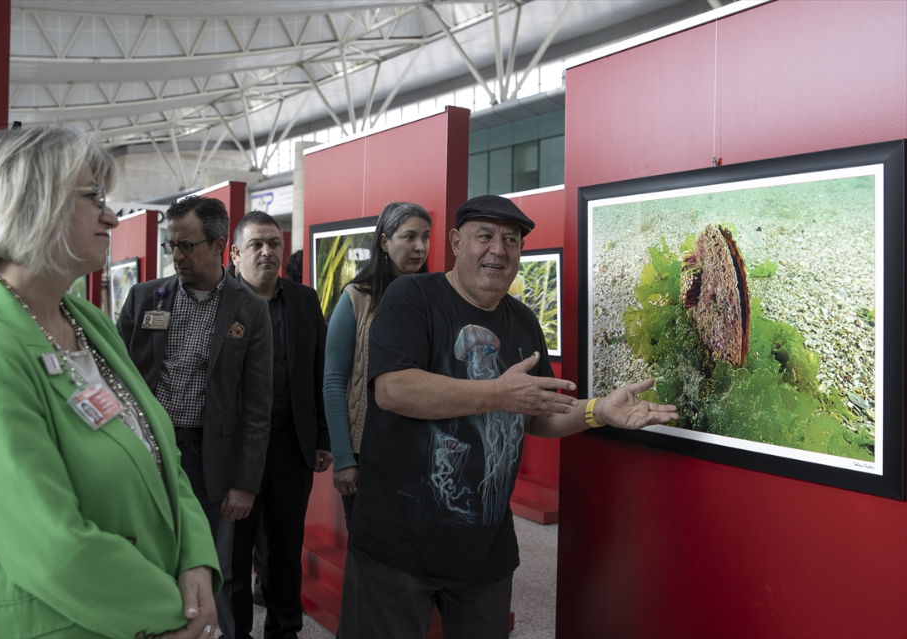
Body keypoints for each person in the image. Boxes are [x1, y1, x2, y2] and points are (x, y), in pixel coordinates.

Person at [0, 125, 221, 638]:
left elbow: (159, 450)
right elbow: (51, 545)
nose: (112, 215)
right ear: (31, 202)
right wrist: (176, 614)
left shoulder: (83, 320)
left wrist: (195, 561)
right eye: (93, 196)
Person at [338, 195, 679, 639]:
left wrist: (597, 411)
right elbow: (394, 389)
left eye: (511, 240)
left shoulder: (522, 319)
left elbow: (540, 414)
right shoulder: (412, 296)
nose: (498, 249)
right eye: (485, 236)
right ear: (457, 242)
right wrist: (499, 391)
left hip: (484, 553)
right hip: (396, 546)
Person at [118, 196, 274, 637]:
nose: (177, 256)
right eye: (172, 246)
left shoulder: (249, 309)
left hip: (210, 459)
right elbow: (116, 376)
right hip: (149, 450)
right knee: (146, 554)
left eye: (187, 246)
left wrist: (245, 482)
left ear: (219, 245)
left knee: (206, 566)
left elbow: (258, 404)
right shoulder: (147, 297)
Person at [229, 211, 332, 639]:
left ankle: (284, 630)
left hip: (291, 444)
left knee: (286, 548)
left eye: (274, 243)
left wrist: (324, 437)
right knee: (234, 551)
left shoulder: (304, 300)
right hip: (233, 450)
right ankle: (234, 632)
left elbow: (321, 371)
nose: (268, 252)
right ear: (234, 253)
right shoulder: (217, 303)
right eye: (256, 244)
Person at [322, 201, 432, 527]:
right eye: (409, 236)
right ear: (385, 242)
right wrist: (342, 457)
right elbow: (333, 381)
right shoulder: (356, 297)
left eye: (425, 237)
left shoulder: (434, 298)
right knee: (368, 549)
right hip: (365, 450)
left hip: (421, 446)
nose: (420, 247)